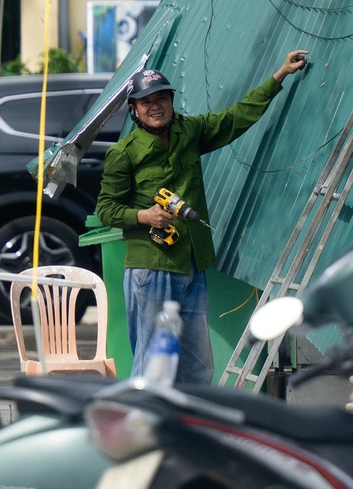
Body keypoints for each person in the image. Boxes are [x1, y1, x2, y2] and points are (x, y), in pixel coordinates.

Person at [95, 53, 309, 383]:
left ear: (171, 100)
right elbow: (106, 209)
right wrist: (145, 215)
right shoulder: (123, 153)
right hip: (152, 268)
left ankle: (192, 428)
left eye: (161, 98)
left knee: (198, 363)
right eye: (146, 101)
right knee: (155, 363)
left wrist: (279, 74)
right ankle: (145, 429)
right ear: (133, 110)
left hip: (192, 264)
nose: (155, 106)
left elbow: (236, 118)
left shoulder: (189, 131)